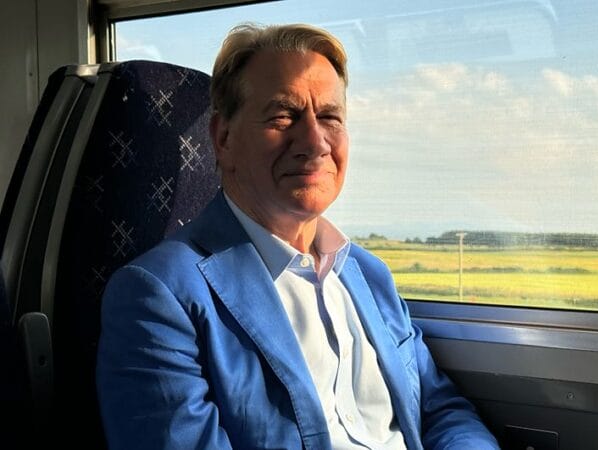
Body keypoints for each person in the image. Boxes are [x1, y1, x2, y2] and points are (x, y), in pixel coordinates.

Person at [95, 23, 500, 450]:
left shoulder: (368, 274)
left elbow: (438, 407)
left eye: (329, 116)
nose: (313, 141)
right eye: (283, 115)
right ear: (224, 138)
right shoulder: (158, 296)